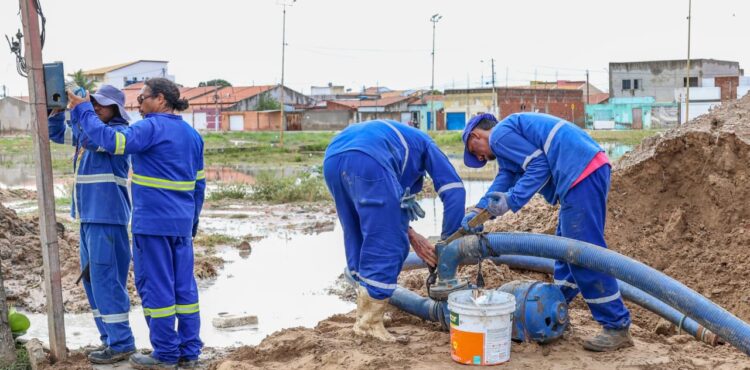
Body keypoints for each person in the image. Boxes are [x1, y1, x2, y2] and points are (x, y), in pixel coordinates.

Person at [461, 112, 633, 352]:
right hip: (585, 170)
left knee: (583, 254)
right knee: (564, 253)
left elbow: (538, 165)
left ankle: (616, 325)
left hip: (579, 174)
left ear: (476, 134)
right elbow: (506, 177)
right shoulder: (508, 142)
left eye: (474, 149)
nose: (479, 157)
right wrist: (479, 210)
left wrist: (512, 200)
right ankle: (556, 306)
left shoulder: (499, 135)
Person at [68, 78, 205, 369]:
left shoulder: (149, 128)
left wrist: (82, 110)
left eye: (142, 99)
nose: (138, 105)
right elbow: (199, 186)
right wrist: (191, 223)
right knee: (185, 290)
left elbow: (110, 141)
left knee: (157, 289)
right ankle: (189, 353)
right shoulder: (193, 135)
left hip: (153, 224)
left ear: (160, 99)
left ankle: (166, 355)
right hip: (181, 226)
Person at [323, 119, 466, 343]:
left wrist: (409, 230)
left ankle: (365, 312)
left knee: (358, 232)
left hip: (333, 158)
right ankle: (370, 323)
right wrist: (449, 241)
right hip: (368, 159)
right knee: (389, 243)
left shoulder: (399, 144)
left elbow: (387, 211)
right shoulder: (427, 146)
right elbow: (454, 190)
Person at [48, 85, 136, 364]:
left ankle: (122, 343)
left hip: (107, 219)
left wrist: (81, 109)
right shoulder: (92, 130)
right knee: (94, 283)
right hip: (89, 218)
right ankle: (109, 340)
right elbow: (57, 134)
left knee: (107, 283)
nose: (96, 107)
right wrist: (58, 112)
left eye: (102, 104)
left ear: (117, 110)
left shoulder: (118, 135)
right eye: (94, 103)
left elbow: (96, 138)